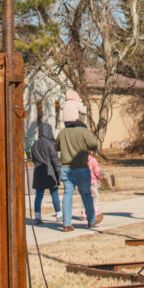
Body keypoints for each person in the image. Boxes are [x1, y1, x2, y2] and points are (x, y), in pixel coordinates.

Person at [55, 98, 102, 232]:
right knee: (86, 194)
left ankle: (66, 223)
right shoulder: (83, 131)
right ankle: (92, 220)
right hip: (81, 167)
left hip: (66, 168)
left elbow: (56, 147)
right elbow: (94, 144)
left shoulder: (62, 133)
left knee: (67, 195)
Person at [30, 122, 61, 223]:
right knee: (54, 194)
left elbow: (33, 159)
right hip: (50, 173)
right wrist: (59, 173)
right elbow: (55, 160)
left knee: (39, 195)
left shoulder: (34, 145)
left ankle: (37, 216)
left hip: (38, 172)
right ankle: (59, 214)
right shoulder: (50, 144)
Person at [80, 151, 102, 220]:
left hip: (83, 182)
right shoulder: (93, 160)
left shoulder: (80, 160)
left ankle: (84, 213)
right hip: (93, 181)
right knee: (95, 197)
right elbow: (97, 170)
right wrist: (98, 177)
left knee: (84, 198)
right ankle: (96, 212)